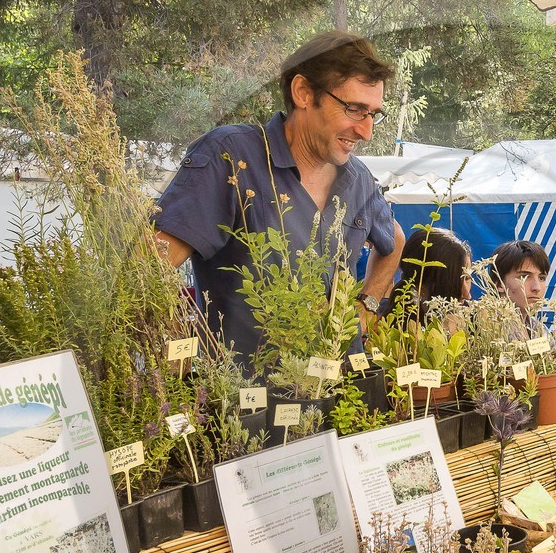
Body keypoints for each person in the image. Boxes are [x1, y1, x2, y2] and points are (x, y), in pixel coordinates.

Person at [152, 31, 406, 366]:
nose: (366, 131)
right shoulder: (230, 157)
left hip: (338, 398)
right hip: (245, 404)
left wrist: (367, 306)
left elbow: (395, 241)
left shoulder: (358, 179)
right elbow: (149, 268)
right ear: (303, 92)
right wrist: (170, 351)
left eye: (374, 113)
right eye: (355, 109)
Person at [386, 225, 471, 324]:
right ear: (420, 287)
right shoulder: (399, 331)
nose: (467, 295)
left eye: (468, 278)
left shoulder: (475, 320)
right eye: (454, 282)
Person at [491, 240, 551, 337]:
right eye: (525, 277)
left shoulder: (538, 329)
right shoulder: (488, 328)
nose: (537, 287)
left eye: (541, 278)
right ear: (499, 284)